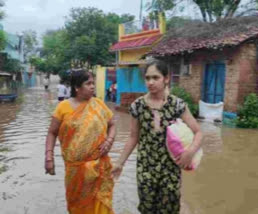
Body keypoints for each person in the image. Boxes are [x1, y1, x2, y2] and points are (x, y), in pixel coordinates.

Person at [111, 60, 202, 214]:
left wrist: (190, 152)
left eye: (155, 77)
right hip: (146, 167)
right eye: (147, 78)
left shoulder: (177, 105)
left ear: (166, 79)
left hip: (171, 167)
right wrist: (120, 163)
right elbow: (133, 137)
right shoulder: (137, 106)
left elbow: (198, 132)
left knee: (170, 208)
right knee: (147, 207)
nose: (150, 82)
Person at [45, 69, 116, 214]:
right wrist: (49, 157)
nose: (92, 86)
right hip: (74, 170)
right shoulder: (62, 107)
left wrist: (109, 141)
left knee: (100, 206)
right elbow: (52, 133)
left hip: (98, 168)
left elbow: (113, 124)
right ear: (77, 87)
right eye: (88, 83)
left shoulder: (99, 105)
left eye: (93, 83)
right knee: (77, 206)